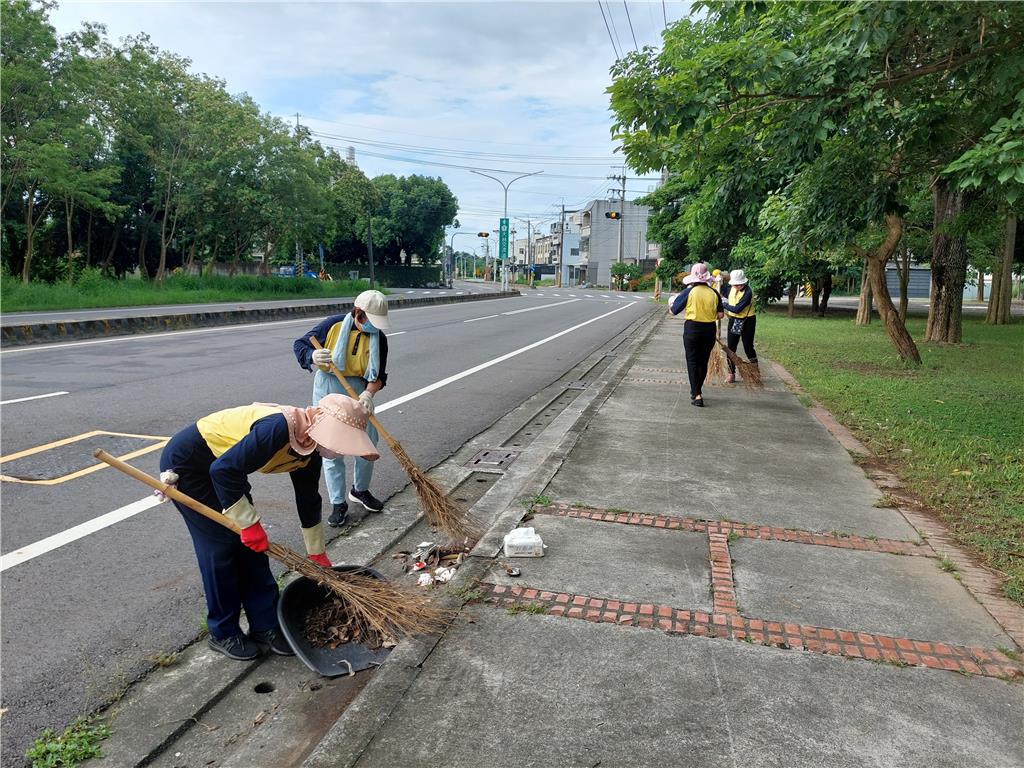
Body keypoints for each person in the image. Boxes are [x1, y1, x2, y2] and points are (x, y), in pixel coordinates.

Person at [159, 395, 379, 661]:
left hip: (228, 470)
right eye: (341, 442)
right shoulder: (277, 429)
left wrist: (317, 553)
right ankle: (223, 631)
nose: (342, 451)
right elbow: (223, 470)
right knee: (219, 548)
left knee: (252, 550)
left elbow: (308, 499)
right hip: (192, 467)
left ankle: (265, 625)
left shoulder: (308, 448)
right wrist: (250, 525)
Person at [293, 290, 390, 527]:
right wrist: (313, 356)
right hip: (328, 386)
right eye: (371, 320)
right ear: (358, 313)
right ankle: (338, 503)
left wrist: (369, 393)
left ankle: (360, 490)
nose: (374, 327)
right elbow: (300, 345)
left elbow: (378, 376)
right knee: (331, 447)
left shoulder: (380, 339)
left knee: (367, 442)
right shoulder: (333, 325)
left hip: (358, 389)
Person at [669, 262, 724, 407]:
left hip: (692, 329)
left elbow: (673, 311)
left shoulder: (689, 292)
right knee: (703, 361)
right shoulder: (714, 293)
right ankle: (697, 390)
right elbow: (720, 314)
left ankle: (697, 394)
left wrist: (671, 305)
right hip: (709, 330)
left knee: (692, 361)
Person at [723, 268, 758, 384]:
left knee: (748, 347)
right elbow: (722, 290)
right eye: (735, 284)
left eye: (739, 284)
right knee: (730, 348)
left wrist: (724, 305)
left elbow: (737, 309)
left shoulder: (748, 292)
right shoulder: (731, 288)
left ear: (744, 282)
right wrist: (716, 281)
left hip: (747, 321)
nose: (736, 286)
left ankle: (755, 372)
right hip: (734, 321)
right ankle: (731, 373)